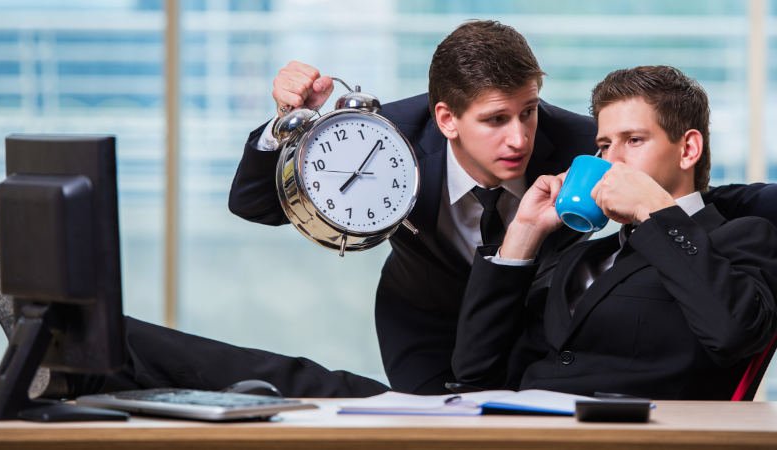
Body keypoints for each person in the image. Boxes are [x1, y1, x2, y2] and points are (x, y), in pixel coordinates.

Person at [228, 20, 775, 395]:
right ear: (447, 119)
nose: (519, 139)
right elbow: (255, 202)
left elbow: (692, 188)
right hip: (423, 312)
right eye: (494, 120)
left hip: (528, 325)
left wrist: (661, 206)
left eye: (528, 112)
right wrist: (285, 126)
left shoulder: (586, 145)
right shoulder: (386, 141)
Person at [451, 66, 777, 399]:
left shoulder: (743, 238)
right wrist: (524, 232)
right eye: (605, 145)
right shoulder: (580, 256)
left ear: (688, 149)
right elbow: (476, 371)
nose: (613, 160)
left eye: (634, 140)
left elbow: (734, 333)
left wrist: (655, 211)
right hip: (527, 421)